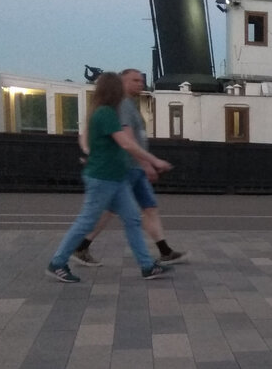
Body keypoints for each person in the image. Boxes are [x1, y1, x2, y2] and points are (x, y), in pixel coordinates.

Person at [46, 72, 173, 283]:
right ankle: (57, 263)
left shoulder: (104, 112)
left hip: (116, 178)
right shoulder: (106, 113)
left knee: (132, 219)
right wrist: (154, 160)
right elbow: (126, 143)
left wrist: (89, 151)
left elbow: (90, 138)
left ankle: (147, 266)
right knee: (86, 222)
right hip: (103, 178)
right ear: (114, 90)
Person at [72, 67, 187, 267]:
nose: (140, 84)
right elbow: (128, 138)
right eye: (135, 80)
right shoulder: (123, 105)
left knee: (147, 208)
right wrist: (147, 163)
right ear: (122, 82)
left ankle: (165, 251)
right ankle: (78, 249)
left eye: (141, 80)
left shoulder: (128, 105)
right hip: (129, 167)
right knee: (115, 211)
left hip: (134, 168)